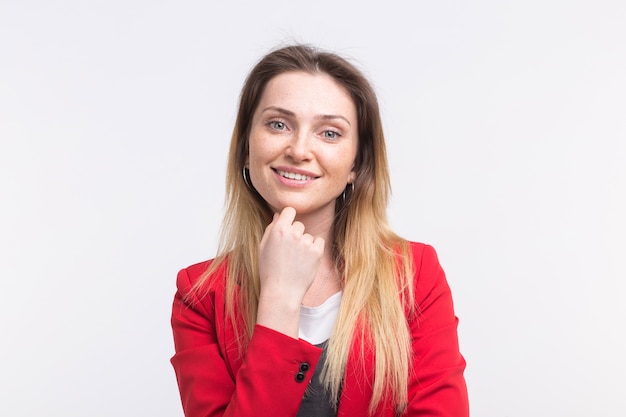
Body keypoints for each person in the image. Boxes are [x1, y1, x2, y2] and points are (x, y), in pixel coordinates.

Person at [170, 44, 469, 417]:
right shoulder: (200, 296)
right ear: (246, 148)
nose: (299, 149)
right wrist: (279, 297)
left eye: (329, 133)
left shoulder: (414, 274)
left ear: (357, 163)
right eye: (278, 124)